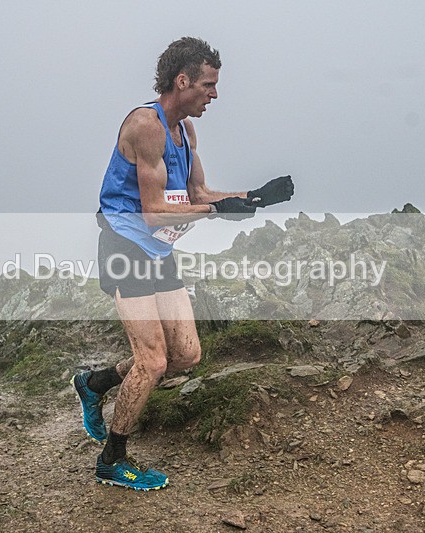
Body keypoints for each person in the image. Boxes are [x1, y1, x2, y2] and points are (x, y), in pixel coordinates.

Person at [72, 36, 294, 491]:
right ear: (182, 81)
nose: (215, 94)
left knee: (186, 354)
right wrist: (215, 210)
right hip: (125, 248)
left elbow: (198, 194)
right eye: (208, 85)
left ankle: (95, 383)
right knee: (152, 362)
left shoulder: (185, 132)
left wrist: (252, 196)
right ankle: (112, 460)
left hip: (158, 251)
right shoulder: (146, 126)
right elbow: (154, 212)